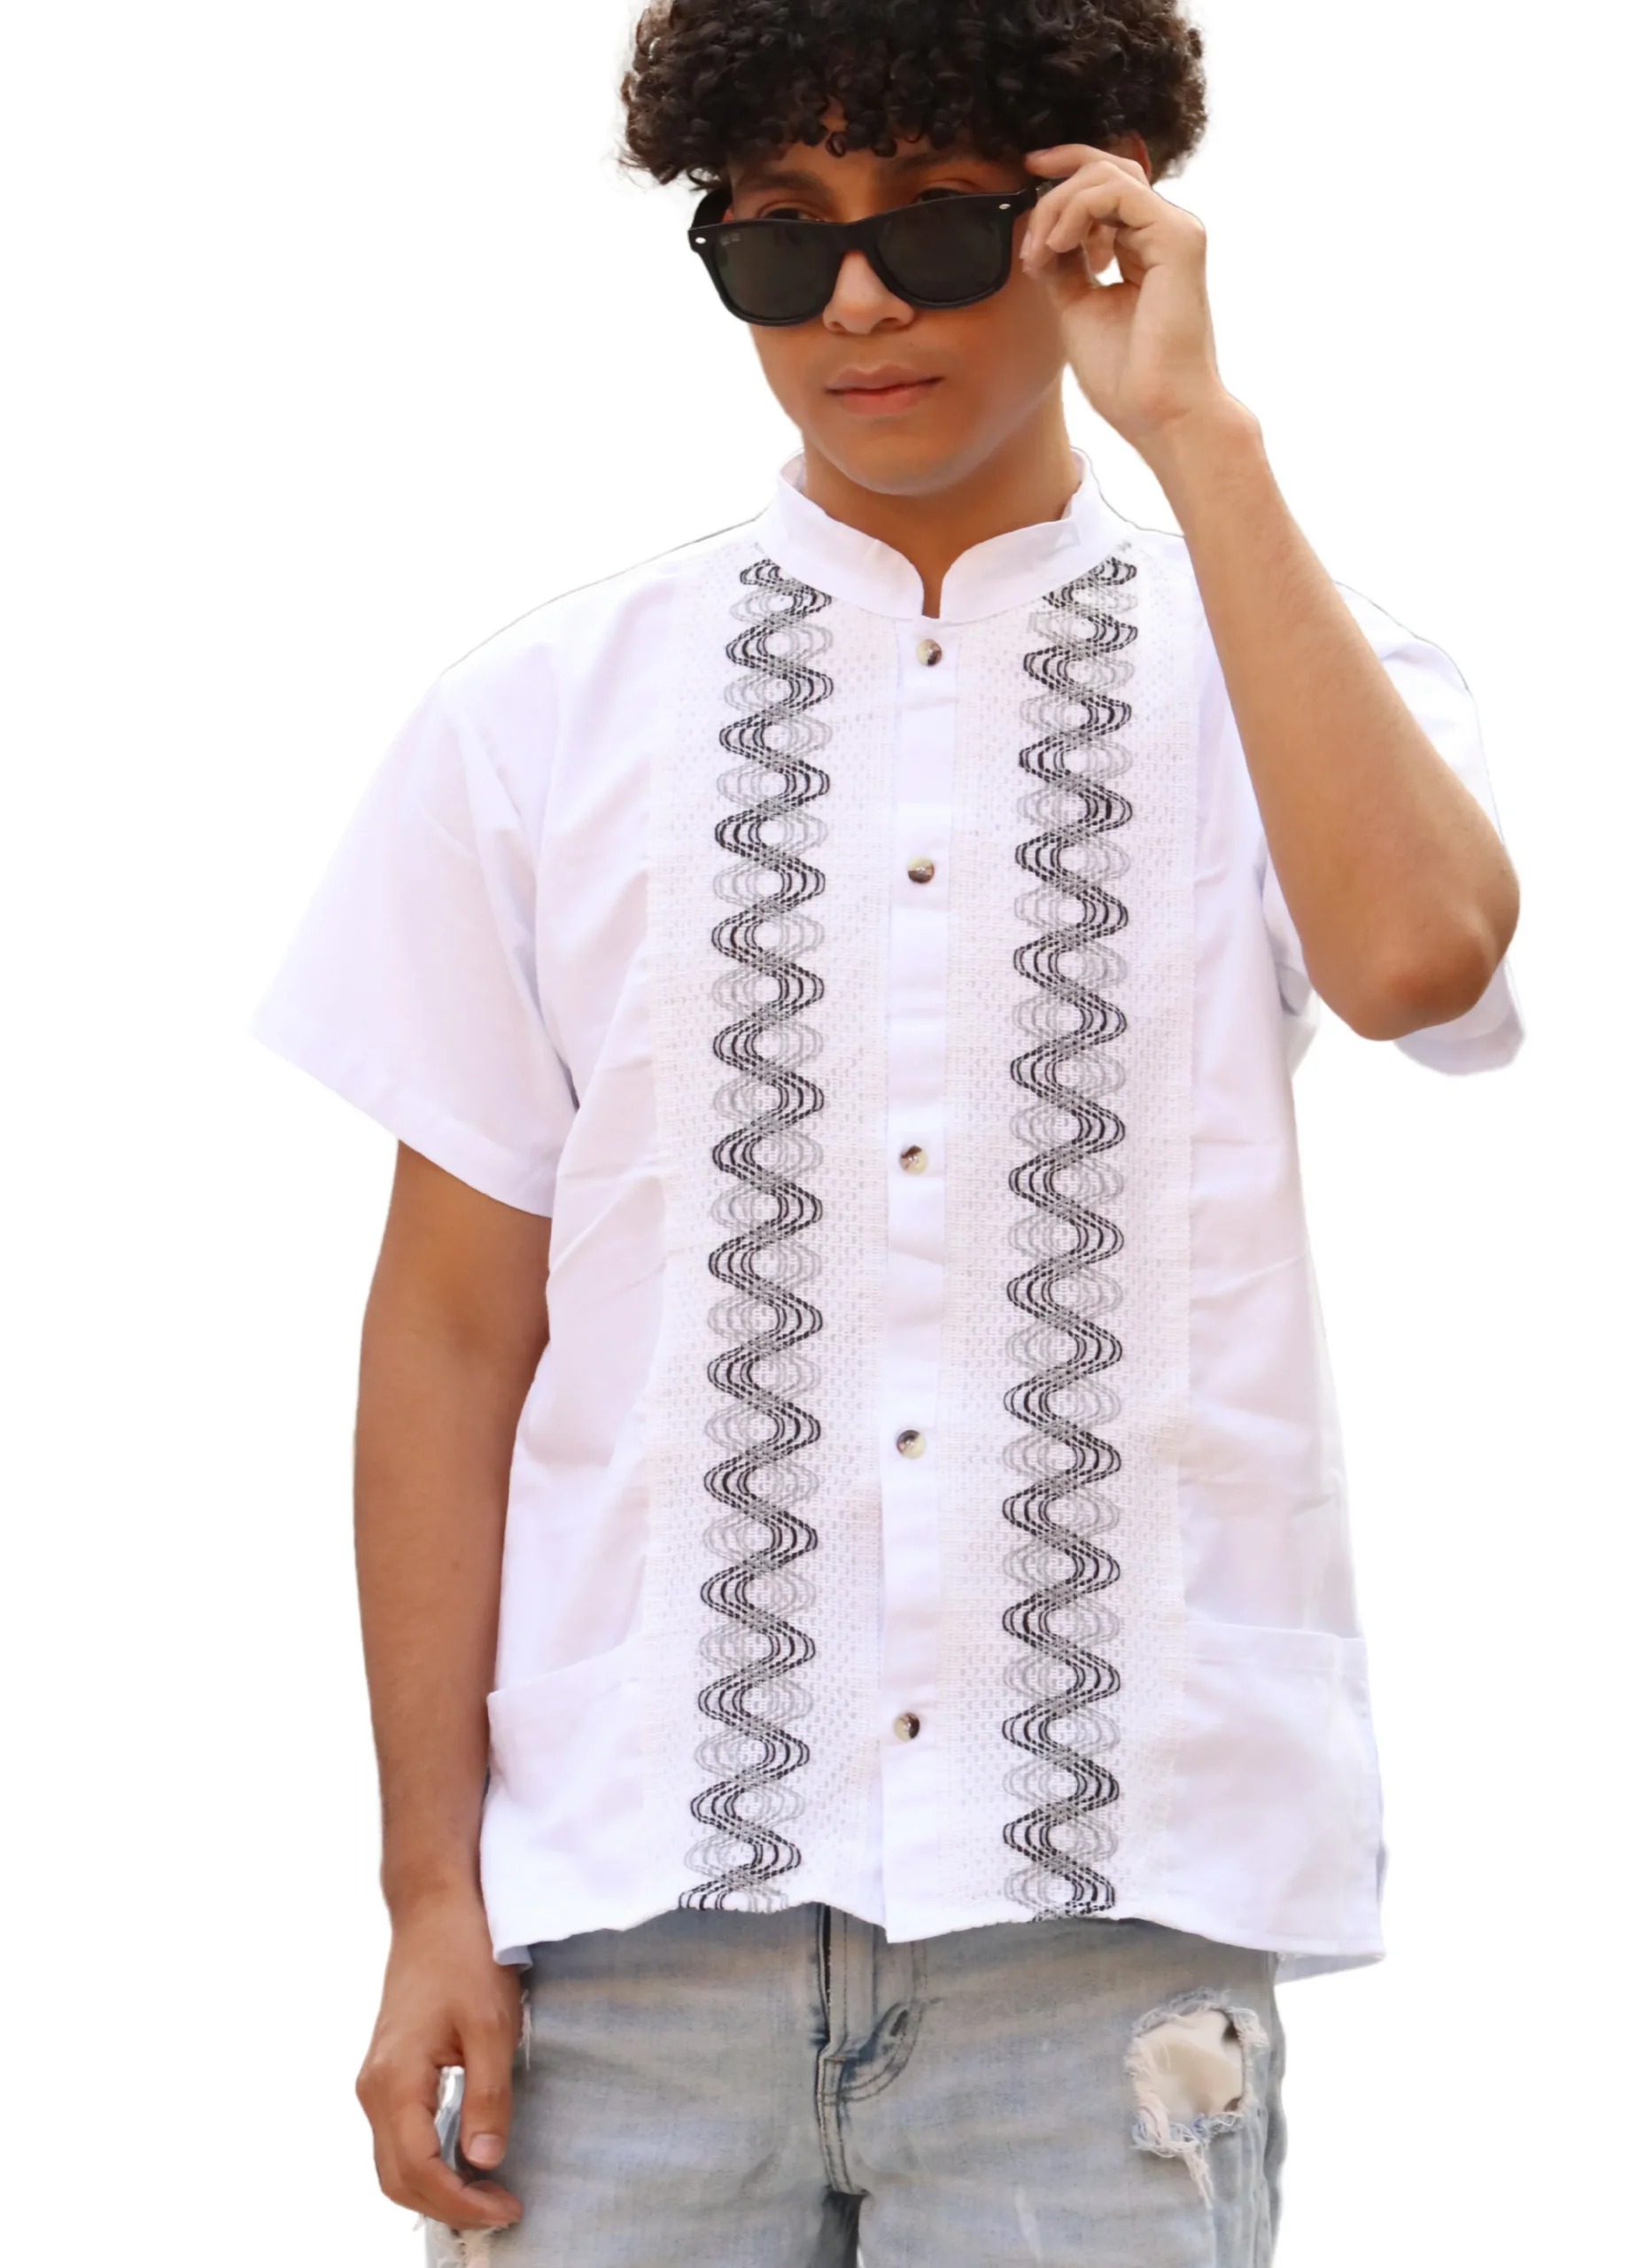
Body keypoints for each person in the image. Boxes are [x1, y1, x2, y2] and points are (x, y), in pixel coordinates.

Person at [253, 2, 1524, 2260]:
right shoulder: (538, 728)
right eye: (779, 240)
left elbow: (1422, 959)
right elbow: (450, 1338)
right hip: (634, 1920)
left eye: (935, 226)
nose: (855, 302)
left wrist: (1194, 427)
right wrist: (428, 1888)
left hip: (1105, 1919)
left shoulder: (1277, 673)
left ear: (1083, 214)